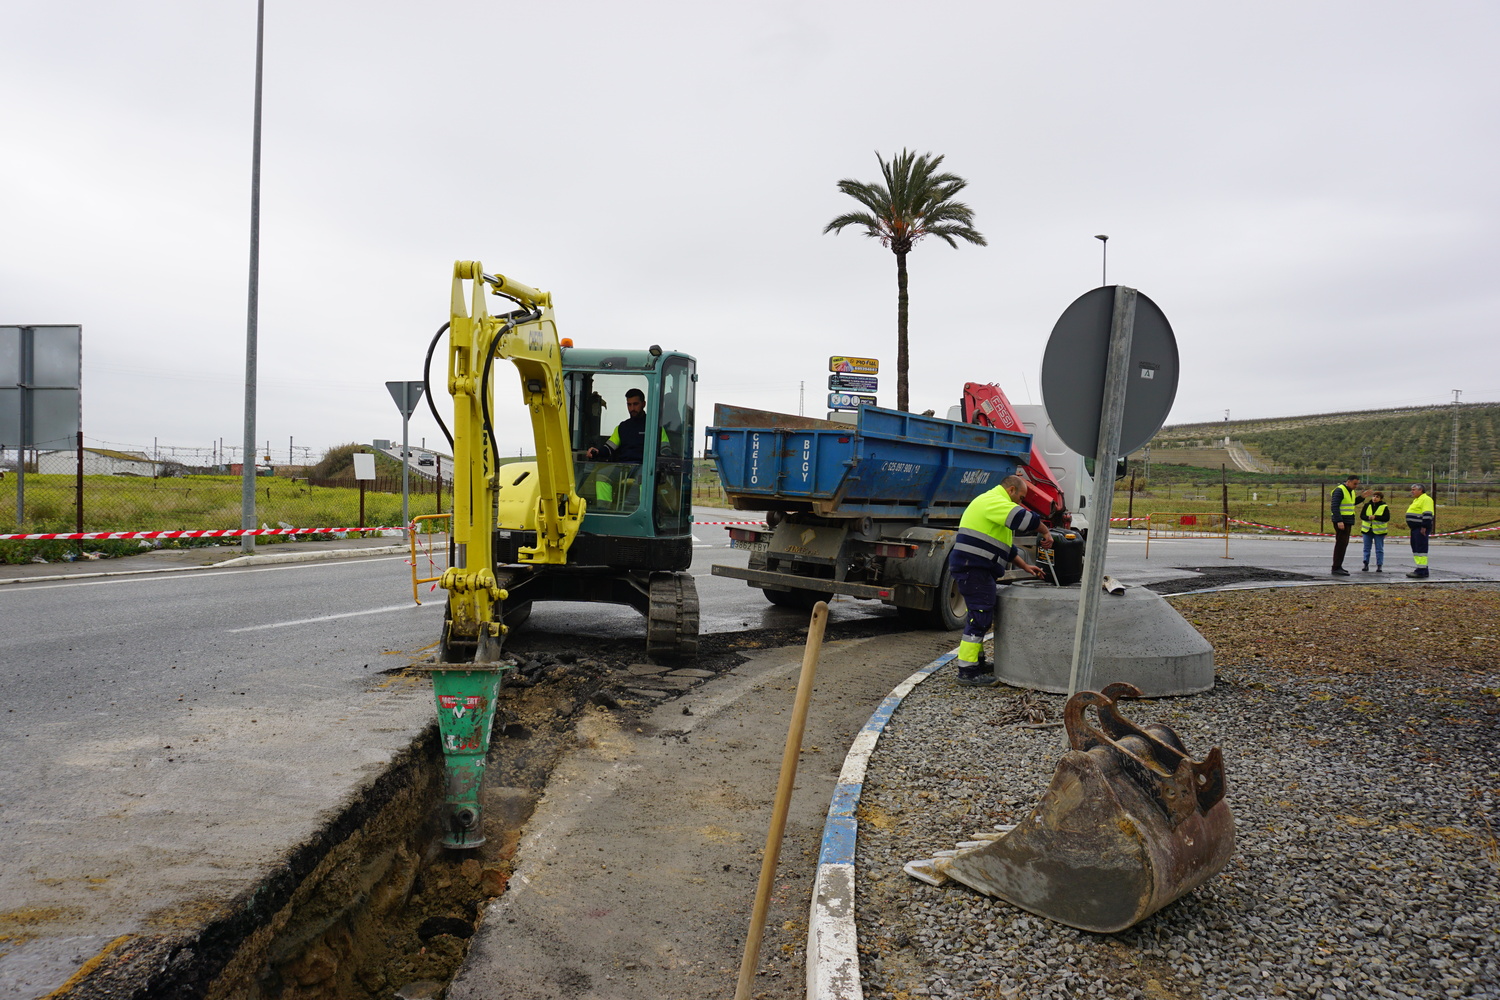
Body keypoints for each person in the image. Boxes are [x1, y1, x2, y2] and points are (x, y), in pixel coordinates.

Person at [947, 475, 1046, 687]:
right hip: (973, 568)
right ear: (1011, 490)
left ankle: (977, 662)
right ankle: (967, 672)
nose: (1020, 503)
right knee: (980, 615)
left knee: (979, 614)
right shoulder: (993, 501)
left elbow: (1005, 547)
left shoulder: (992, 504)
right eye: (1020, 497)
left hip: (975, 568)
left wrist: (1026, 566)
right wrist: (1046, 531)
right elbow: (1024, 520)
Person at [1329, 474, 1361, 576]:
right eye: (1354, 484)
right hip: (1342, 521)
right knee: (1341, 544)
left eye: (1357, 484)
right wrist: (1339, 521)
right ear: (1348, 482)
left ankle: (1339, 566)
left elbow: (1351, 503)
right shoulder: (1340, 490)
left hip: (1348, 520)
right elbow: (1334, 506)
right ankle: (1336, 567)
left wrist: (1362, 498)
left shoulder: (1350, 491)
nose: (1356, 486)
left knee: (1343, 544)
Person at [1404, 483, 1435, 578]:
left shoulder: (1426, 499)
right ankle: (1422, 568)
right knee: (1416, 548)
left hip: (1421, 528)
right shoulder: (1417, 500)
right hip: (1415, 528)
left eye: (1414, 489)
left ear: (1420, 490)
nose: (1412, 491)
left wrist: (1424, 526)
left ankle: (1421, 570)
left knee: (1421, 549)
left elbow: (1427, 513)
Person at [1359, 490, 1389, 572]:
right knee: (1366, 548)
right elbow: (1362, 516)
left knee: (1379, 549)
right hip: (1367, 530)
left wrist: (1376, 517)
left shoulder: (1384, 507)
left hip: (1379, 532)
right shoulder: (1367, 505)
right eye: (1374, 496)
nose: (1375, 498)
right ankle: (1365, 564)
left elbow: (1386, 518)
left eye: (1377, 497)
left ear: (1381, 499)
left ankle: (1379, 565)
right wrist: (1368, 517)